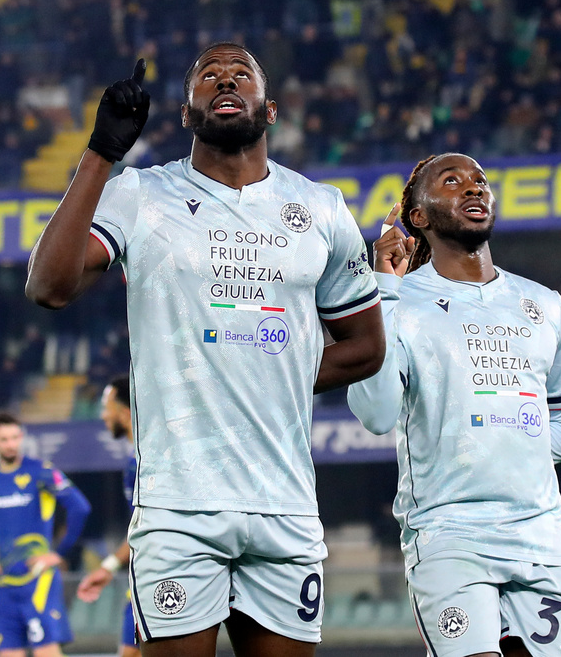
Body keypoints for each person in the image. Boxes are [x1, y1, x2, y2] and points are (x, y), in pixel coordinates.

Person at [25, 43, 385, 657]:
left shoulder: (321, 209)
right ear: (188, 114)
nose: (224, 79)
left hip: (285, 503)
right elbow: (49, 286)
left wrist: (268, 370)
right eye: (207, 76)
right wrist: (100, 154)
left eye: (240, 73)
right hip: (177, 506)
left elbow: (366, 347)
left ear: (269, 110)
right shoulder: (140, 193)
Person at [347, 153, 561, 657]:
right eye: (452, 181)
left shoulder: (544, 305)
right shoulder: (398, 300)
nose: (474, 188)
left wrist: (505, 443)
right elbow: (374, 413)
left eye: (480, 181)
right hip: (449, 535)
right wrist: (385, 290)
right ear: (419, 216)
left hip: (539, 537)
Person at [0, 411, 91, 657]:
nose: (11, 444)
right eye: (4, 439)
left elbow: (80, 507)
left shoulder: (41, 471)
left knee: (46, 651)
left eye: (15, 437)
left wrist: (58, 553)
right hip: (3, 583)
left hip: (38, 580)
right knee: (8, 652)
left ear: (22, 437)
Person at [77, 375, 139, 657]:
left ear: (125, 414)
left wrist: (108, 566)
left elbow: (149, 527)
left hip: (157, 577)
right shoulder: (135, 459)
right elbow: (141, 527)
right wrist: (108, 568)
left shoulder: (143, 462)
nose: (103, 415)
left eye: (107, 407)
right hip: (143, 577)